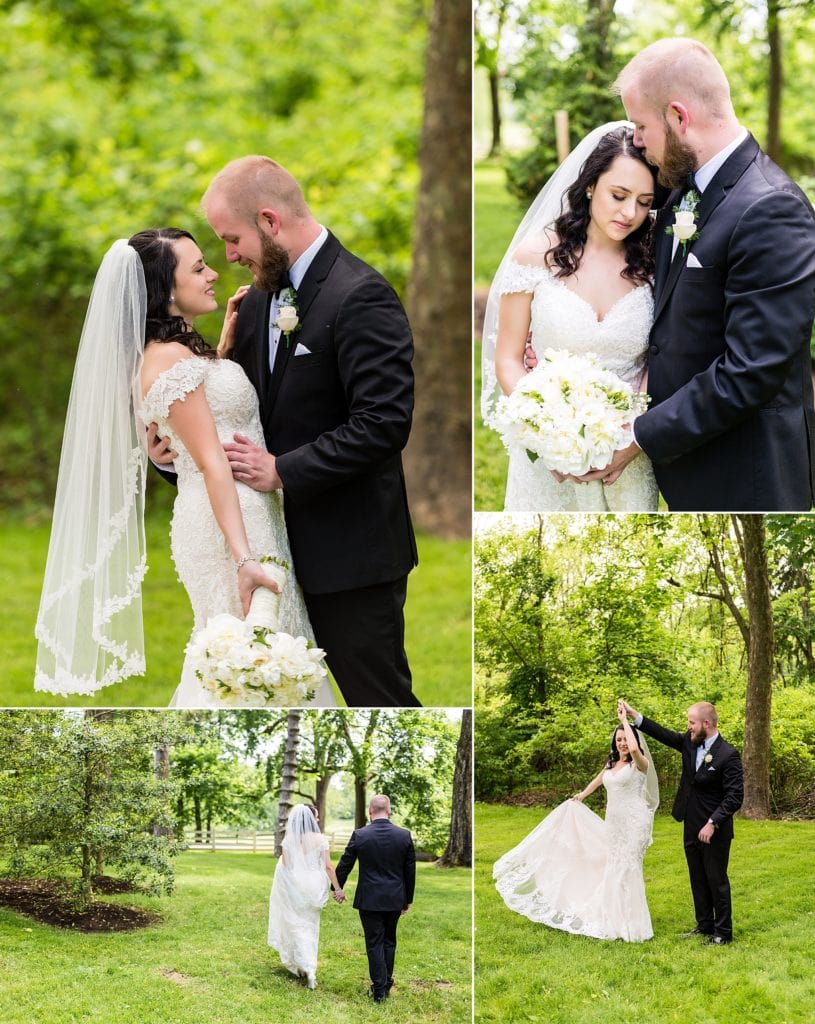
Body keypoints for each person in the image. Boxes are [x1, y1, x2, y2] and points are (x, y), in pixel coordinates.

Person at [34, 231, 335, 708]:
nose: (214, 273)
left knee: (268, 651)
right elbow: (213, 462)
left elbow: (207, 414)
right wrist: (243, 559)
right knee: (242, 657)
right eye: (197, 268)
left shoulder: (184, 354)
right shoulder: (167, 361)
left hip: (251, 510)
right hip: (227, 526)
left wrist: (223, 350)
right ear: (165, 290)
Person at [191, 156, 420, 708]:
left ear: (270, 221)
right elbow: (237, 412)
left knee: (379, 701)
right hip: (271, 552)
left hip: (349, 557)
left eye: (232, 238)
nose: (228, 256)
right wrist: (169, 453)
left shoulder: (361, 294)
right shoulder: (258, 298)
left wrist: (282, 470)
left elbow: (383, 423)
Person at [580, 38, 815, 511]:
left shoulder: (771, 209)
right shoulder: (683, 191)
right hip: (692, 463)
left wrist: (639, 436)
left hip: (746, 473)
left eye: (642, 125)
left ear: (679, 116)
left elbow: (751, 370)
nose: (637, 140)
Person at [481, 123, 660, 512]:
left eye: (645, 202)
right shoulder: (535, 256)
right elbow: (509, 359)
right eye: (619, 195)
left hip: (626, 450)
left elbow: (658, 356)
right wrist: (552, 432)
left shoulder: (655, 264)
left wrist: (631, 436)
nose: (630, 213)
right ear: (591, 185)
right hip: (550, 454)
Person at [493, 702, 659, 942]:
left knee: (627, 867)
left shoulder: (639, 763)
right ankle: (613, 918)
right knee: (614, 867)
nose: (622, 743)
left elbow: (633, 748)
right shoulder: (613, 763)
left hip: (635, 823)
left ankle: (633, 925)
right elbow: (600, 778)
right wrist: (582, 794)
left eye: (625, 739)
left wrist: (625, 720)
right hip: (614, 822)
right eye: (619, 740)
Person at [621, 699, 743, 944]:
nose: (688, 726)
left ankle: (723, 933)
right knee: (697, 877)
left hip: (714, 829)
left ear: (706, 724)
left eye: (692, 722)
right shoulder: (689, 742)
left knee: (716, 880)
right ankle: (704, 925)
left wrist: (713, 822)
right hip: (691, 824)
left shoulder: (728, 754)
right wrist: (635, 715)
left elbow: (735, 796)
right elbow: (663, 734)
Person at [334, 795, 415, 1002]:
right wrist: (408, 900)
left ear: (370, 811)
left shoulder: (360, 835)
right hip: (395, 898)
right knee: (389, 941)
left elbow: (346, 863)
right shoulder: (403, 836)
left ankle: (379, 989)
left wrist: (336, 886)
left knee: (374, 943)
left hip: (369, 898)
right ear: (389, 811)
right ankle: (385, 983)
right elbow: (410, 872)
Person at [268, 804, 345, 989]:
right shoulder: (320, 839)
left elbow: (285, 868)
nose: (317, 819)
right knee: (310, 926)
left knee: (296, 925)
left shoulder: (289, 840)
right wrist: (338, 889)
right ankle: (309, 968)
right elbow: (328, 867)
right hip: (314, 886)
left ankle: (304, 966)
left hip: (295, 885)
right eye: (316, 816)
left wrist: (288, 888)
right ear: (311, 818)